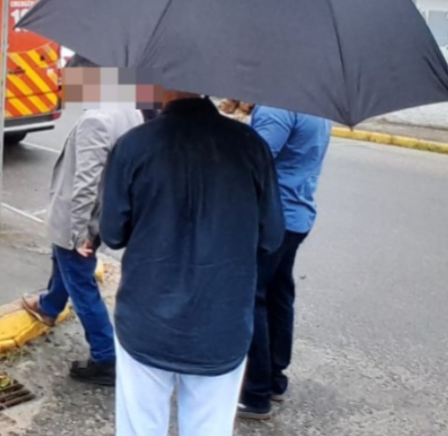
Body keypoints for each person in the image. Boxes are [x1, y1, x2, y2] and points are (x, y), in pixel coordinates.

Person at [100, 92, 285, 436]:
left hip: (146, 319)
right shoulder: (250, 145)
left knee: (140, 428)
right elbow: (271, 237)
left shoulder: (133, 145)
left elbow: (112, 233)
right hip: (222, 321)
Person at [22, 66, 143, 386]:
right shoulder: (129, 110)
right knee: (64, 265)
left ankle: (105, 357)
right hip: (103, 214)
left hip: (81, 219)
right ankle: (48, 305)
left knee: (82, 284)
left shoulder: (96, 120)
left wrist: (78, 233)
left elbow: (85, 182)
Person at [238, 107, 332, 420]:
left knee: (253, 298)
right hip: (297, 214)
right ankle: (275, 378)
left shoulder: (277, 106)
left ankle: (256, 393)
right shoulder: (315, 103)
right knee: (278, 294)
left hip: (272, 218)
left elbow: (253, 160)